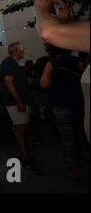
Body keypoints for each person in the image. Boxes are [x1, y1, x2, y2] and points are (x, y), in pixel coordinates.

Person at [34, 0, 90, 143]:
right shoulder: (57, 61)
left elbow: (50, 33)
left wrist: (41, 9)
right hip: (68, 103)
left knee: (73, 142)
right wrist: (66, 20)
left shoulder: (58, 61)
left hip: (73, 102)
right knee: (72, 142)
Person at [41, 43, 85, 180]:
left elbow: (44, 83)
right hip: (79, 102)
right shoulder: (77, 61)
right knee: (83, 134)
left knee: (67, 139)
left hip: (61, 104)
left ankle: (72, 168)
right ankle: (82, 159)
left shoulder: (52, 63)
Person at [0, 42, 42, 174]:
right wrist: (19, 101)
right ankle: (24, 158)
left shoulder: (12, 63)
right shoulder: (9, 62)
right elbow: (8, 82)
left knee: (22, 130)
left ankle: (23, 155)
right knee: (20, 130)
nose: (23, 51)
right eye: (22, 49)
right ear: (16, 50)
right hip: (15, 103)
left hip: (19, 101)